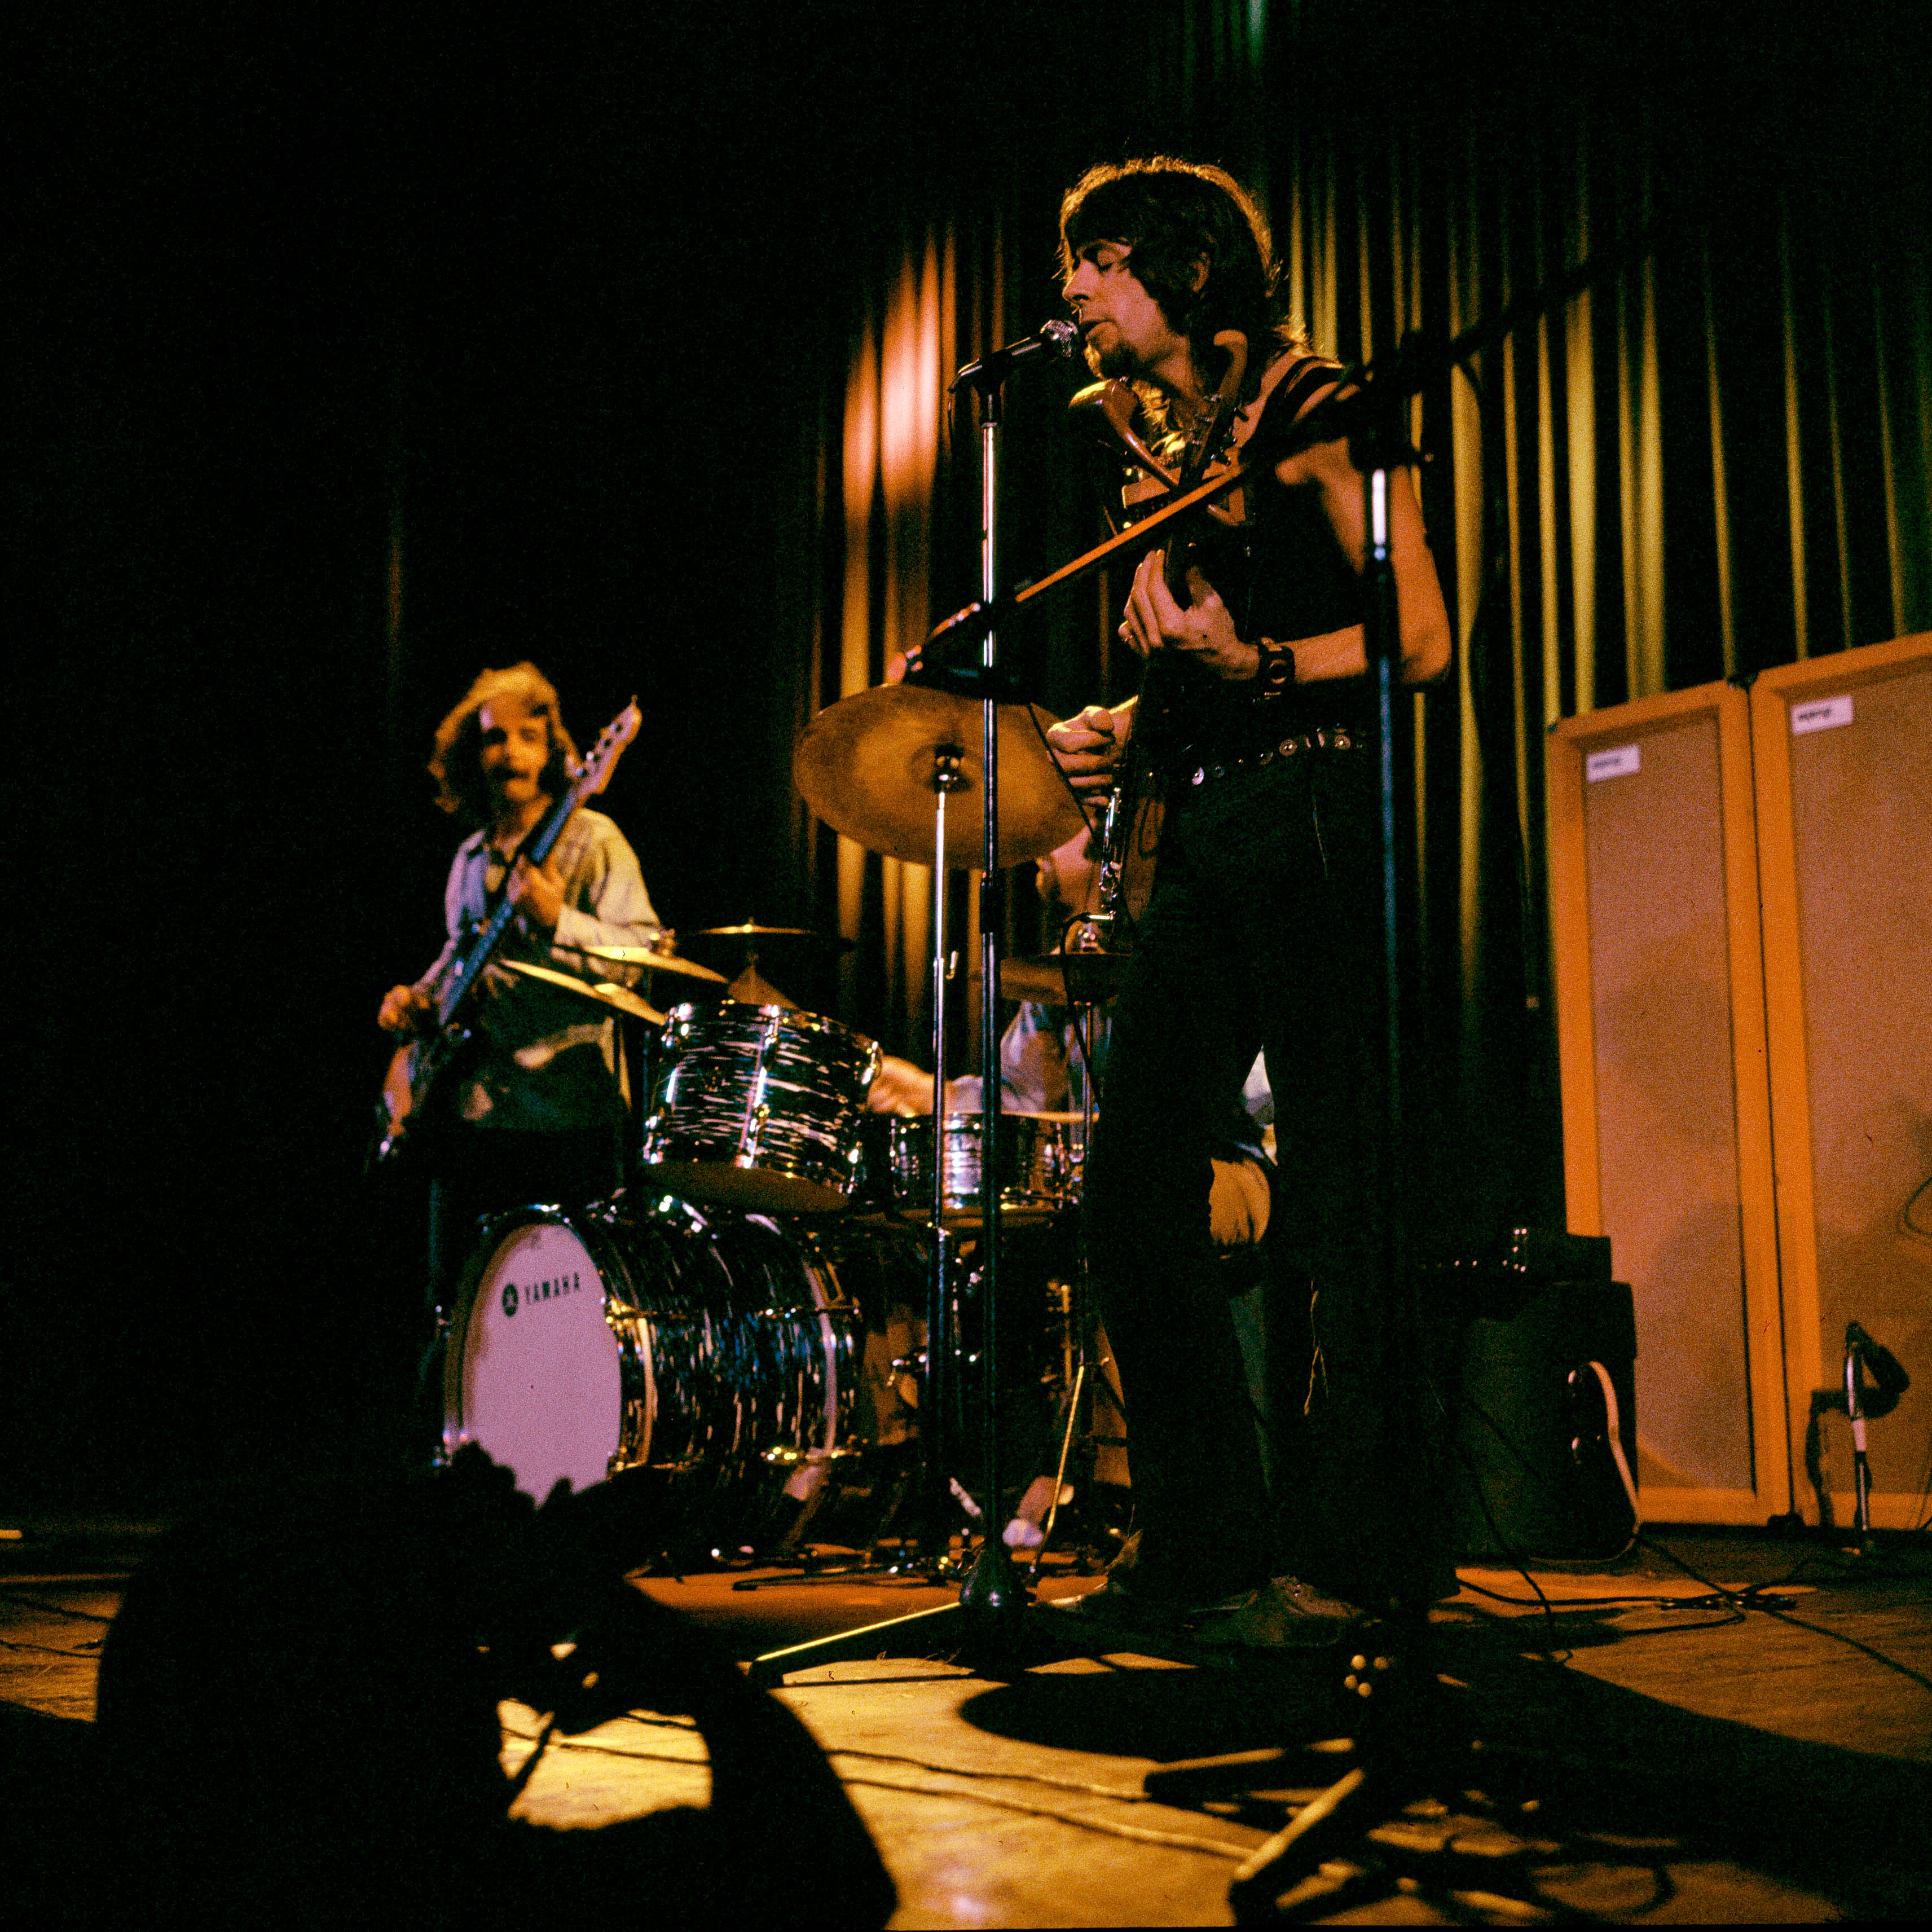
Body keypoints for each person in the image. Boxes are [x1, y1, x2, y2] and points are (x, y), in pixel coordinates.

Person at [1044, 158, 1453, 1647]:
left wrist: (1259, 673)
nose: (1074, 290)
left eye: (1097, 259)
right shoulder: (1161, 454)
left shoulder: (1314, 408)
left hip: (1318, 809)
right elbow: (1205, 660)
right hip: (1211, 826)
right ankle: (1210, 1539)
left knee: (1343, 1195)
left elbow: (1419, 635)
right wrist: (1120, 724)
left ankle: (1367, 1552)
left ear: (1186, 270)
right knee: (1131, 1182)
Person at [377, 662, 661, 1297]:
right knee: (458, 1314)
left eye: (525, 737)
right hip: (473, 1122)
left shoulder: (592, 839)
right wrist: (415, 999)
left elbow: (644, 953)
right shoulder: (470, 854)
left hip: (566, 1127)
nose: (508, 753)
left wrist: (557, 917)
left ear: (556, 751)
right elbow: (461, 953)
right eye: (492, 738)